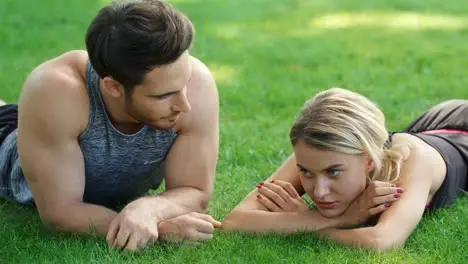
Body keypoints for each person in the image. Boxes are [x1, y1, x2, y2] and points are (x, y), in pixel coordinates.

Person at [0, 0, 221, 252]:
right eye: (163, 96)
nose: (185, 105)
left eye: (185, 82)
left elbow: (194, 190)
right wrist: (159, 230)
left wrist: (147, 208)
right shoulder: (56, 91)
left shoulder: (197, 87)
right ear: (113, 87)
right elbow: (60, 213)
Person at [222, 88, 467, 251]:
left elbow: (382, 241)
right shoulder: (316, 151)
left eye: (334, 173)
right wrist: (343, 218)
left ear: (369, 160)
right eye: (305, 172)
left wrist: (294, 224)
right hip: (430, 127)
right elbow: (236, 221)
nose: (319, 191)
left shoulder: (413, 163)